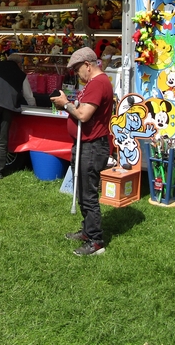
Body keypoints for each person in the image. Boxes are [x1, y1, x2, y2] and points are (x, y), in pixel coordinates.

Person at [50, 47, 114, 256]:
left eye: (77, 69)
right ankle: (87, 231)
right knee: (82, 191)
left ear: (88, 65)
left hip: (92, 146)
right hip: (85, 144)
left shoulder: (98, 83)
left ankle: (96, 241)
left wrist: (66, 104)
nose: (77, 74)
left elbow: (84, 115)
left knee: (88, 195)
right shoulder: (94, 84)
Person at [0, 53, 36, 180]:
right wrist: (34, 108)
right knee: (2, 140)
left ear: (7, 60)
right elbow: (29, 95)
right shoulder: (21, 74)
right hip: (8, 107)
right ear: (19, 64)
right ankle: (0, 171)